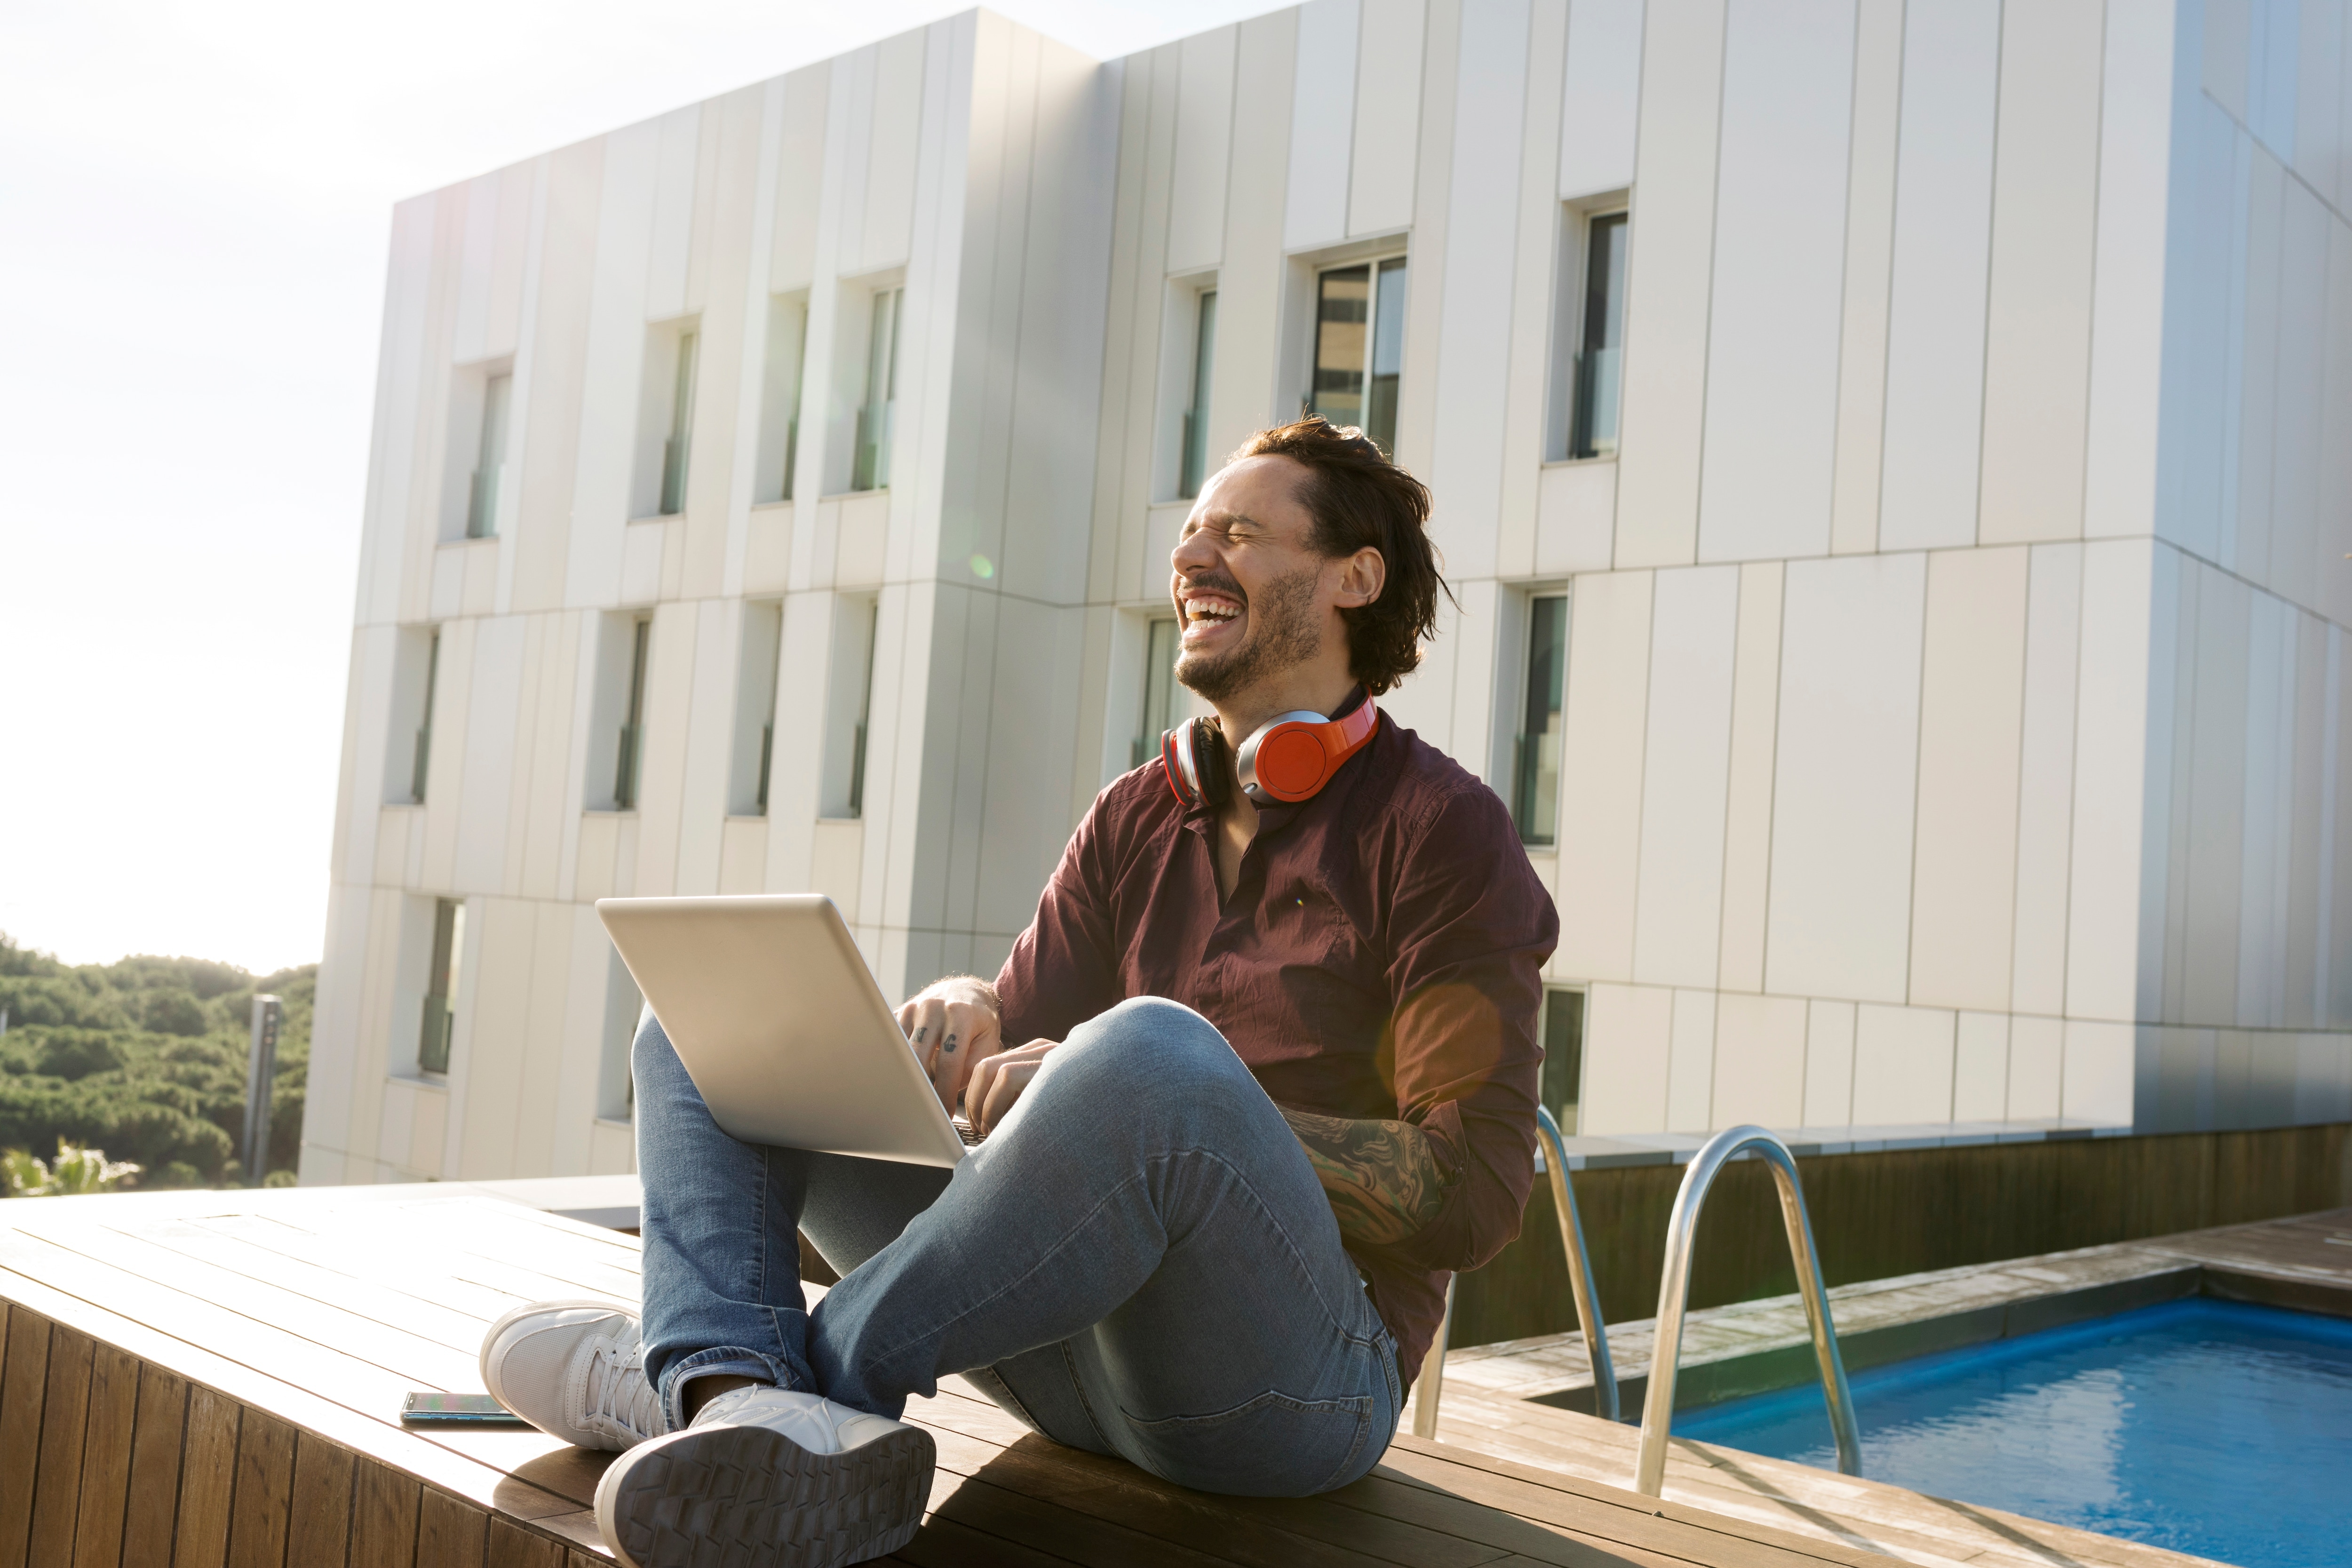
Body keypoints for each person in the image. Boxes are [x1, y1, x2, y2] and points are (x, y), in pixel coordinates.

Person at [479, 417, 1559, 1568]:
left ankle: (729, 1378)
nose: (1194, 556)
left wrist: (1191, 1113)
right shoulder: (1137, 811)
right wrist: (962, 1001)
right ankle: (737, 1393)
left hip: (1293, 1393)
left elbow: (1472, 1191)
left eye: (1240, 532)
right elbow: (1014, 1055)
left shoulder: (1442, 830)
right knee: (708, 1014)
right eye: (1189, 532)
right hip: (1070, 1357)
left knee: (1151, 1056)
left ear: (1355, 575)